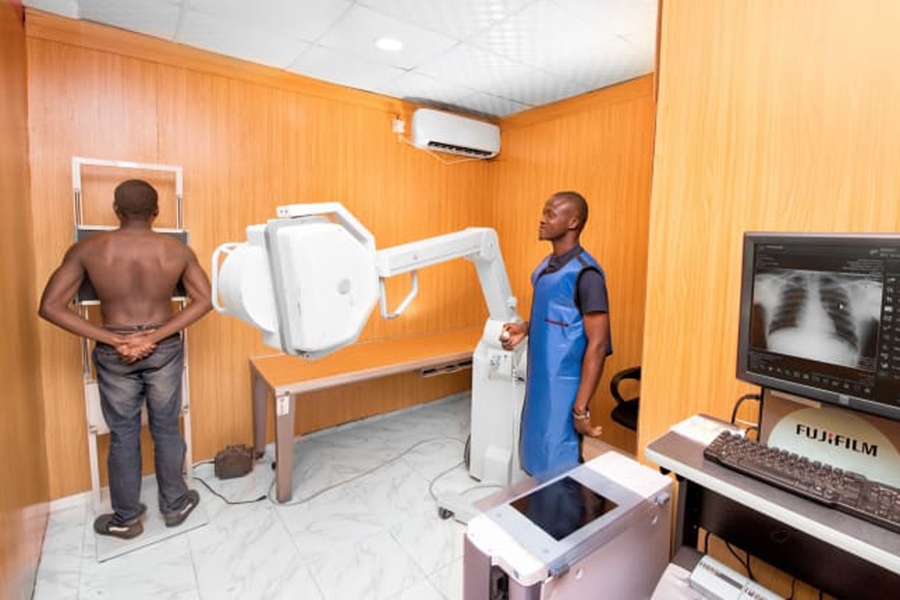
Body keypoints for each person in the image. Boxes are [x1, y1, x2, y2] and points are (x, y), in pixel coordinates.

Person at [39, 179, 213, 539]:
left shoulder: (87, 250)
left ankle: (126, 519)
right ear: (157, 211)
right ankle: (175, 504)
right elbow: (206, 300)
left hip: (114, 351)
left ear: (116, 210)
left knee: (123, 435)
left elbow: (50, 306)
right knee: (167, 428)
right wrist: (153, 336)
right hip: (163, 349)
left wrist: (114, 340)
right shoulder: (177, 251)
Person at [500, 191, 611, 480]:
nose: (542, 219)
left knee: (558, 462)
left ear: (572, 222)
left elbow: (598, 344)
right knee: (536, 453)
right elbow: (558, 317)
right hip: (540, 381)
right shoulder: (549, 266)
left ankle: (560, 508)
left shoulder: (587, 275)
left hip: (564, 386)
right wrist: (526, 328)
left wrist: (580, 409)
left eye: (550, 214)